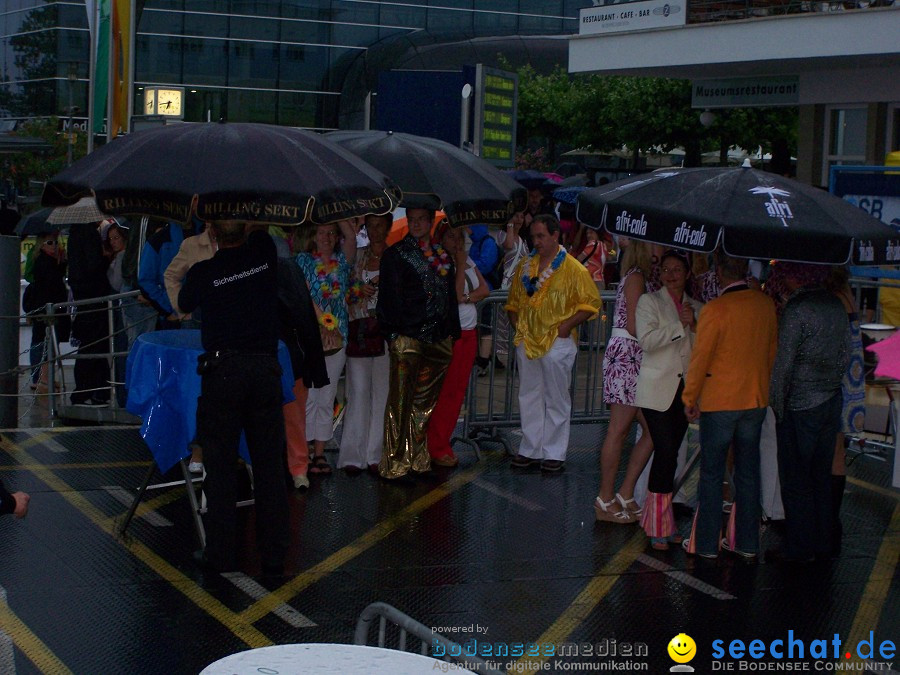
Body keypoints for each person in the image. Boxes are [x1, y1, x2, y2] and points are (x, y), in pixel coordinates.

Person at [178, 221, 289, 576]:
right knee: (270, 467)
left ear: (213, 235)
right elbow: (259, 230)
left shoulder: (205, 270)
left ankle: (220, 553)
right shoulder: (263, 253)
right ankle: (273, 555)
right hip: (263, 370)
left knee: (221, 467)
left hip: (223, 372)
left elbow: (183, 301)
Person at [682, 251, 777, 560]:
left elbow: (701, 358)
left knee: (711, 474)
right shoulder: (764, 305)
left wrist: (689, 397)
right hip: (755, 399)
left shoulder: (716, 309)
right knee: (748, 473)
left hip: (720, 401)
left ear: (718, 274)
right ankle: (747, 542)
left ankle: (707, 543)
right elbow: (771, 353)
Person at [768, 262, 849, 564]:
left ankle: (799, 547)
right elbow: (845, 354)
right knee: (820, 476)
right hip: (830, 400)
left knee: (796, 479)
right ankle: (823, 540)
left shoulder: (797, 308)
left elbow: (783, 366)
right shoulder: (835, 304)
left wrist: (778, 408)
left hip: (800, 404)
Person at [506, 214, 601, 472]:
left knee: (556, 397)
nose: (536, 242)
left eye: (541, 236)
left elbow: (591, 302)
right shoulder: (526, 266)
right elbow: (512, 302)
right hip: (527, 339)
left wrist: (566, 326)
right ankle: (530, 448)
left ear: (556, 235)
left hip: (556, 341)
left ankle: (554, 453)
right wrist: (519, 326)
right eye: (533, 236)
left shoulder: (573, 268)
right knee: (529, 394)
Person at [377, 207, 460, 480]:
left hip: (437, 340)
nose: (415, 224)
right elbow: (388, 298)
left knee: (424, 404)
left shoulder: (442, 255)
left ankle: (416, 457)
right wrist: (392, 334)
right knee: (400, 402)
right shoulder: (395, 254)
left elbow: (450, 297)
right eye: (411, 220)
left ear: (429, 222)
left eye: (421, 219)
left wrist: (450, 332)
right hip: (407, 337)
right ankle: (395, 463)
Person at [633, 250, 703, 549]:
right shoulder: (650, 302)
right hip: (655, 392)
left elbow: (701, 352)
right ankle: (657, 526)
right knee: (664, 452)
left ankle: (659, 520)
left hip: (683, 391)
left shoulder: (698, 307)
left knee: (672, 454)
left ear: (688, 273)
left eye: (677, 269)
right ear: (659, 274)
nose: (671, 274)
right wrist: (680, 327)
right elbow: (646, 341)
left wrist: (696, 326)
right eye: (666, 269)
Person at [594, 238, 655, 523]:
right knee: (619, 430)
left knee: (651, 429)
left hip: (629, 357)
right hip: (629, 356)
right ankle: (606, 498)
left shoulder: (634, 277)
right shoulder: (637, 279)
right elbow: (634, 324)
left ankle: (624, 492)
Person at [296, 219, 357, 476]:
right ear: (313, 236)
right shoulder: (302, 261)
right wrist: (321, 317)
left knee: (327, 395)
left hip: (338, 338)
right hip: (311, 337)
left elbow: (352, 238)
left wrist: (339, 209)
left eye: (332, 233)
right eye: (322, 232)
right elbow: (302, 295)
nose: (327, 237)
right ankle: (305, 451)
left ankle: (319, 452)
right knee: (309, 396)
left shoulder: (342, 263)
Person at [427, 221, 490, 467]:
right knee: (442, 392)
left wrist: (467, 297)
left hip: (469, 333)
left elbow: (484, 289)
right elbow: (451, 297)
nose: (456, 242)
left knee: (456, 392)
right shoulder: (439, 263)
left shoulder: (468, 261)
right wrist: (461, 266)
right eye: (451, 237)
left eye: (459, 236)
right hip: (448, 334)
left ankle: (442, 442)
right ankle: (435, 445)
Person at [340, 213, 391, 475]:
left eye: (379, 225)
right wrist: (357, 290)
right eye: (370, 225)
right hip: (360, 328)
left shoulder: (395, 257)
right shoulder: (356, 256)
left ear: (389, 227)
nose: (374, 230)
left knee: (381, 394)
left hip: (385, 332)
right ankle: (351, 455)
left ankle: (375, 455)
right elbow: (341, 289)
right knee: (357, 391)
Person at [277, 243, 329, 491]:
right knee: (293, 418)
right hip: (286, 358)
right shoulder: (292, 272)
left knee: (293, 417)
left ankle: (298, 468)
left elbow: (306, 315)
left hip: (289, 358)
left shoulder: (290, 274)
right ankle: (297, 469)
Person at [825, 266, 865, 556]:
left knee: (833, 449)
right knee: (837, 448)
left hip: (838, 377)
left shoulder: (835, 299)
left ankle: (828, 519)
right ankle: (831, 520)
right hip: (852, 375)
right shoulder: (848, 294)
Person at [67, 218, 113, 405]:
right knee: (96, 343)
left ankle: (87, 390)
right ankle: (93, 390)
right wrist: (106, 257)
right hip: (95, 295)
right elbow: (94, 265)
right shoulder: (89, 234)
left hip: (82, 295)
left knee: (88, 344)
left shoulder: (75, 232)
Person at [24, 232, 70, 393]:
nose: (54, 245)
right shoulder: (42, 262)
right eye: (50, 242)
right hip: (45, 308)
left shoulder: (51, 261)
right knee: (43, 342)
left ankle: (44, 378)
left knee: (47, 342)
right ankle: (41, 379)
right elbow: (49, 284)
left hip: (49, 308)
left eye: (55, 242)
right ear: (41, 245)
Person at [137, 221, 185, 331]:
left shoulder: (206, 232)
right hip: (176, 313)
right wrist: (167, 311)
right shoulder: (159, 240)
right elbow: (145, 281)